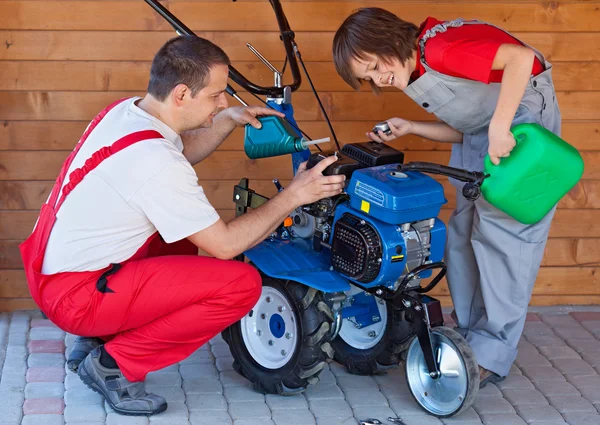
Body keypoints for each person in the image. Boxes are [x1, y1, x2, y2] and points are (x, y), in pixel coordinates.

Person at [20, 35, 345, 416]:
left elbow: (176, 151)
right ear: (180, 94)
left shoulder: (128, 112)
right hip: (77, 295)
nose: (224, 102)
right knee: (240, 285)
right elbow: (224, 245)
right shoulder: (155, 162)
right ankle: (112, 362)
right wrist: (294, 195)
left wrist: (224, 121)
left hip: (52, 273)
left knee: (178, 239)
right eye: (216, 96)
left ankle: (99, 333)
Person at [332, 8, 560, 387]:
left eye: (374, 65)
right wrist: (411, 127)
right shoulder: (416, 71)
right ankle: (471, 336)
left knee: (504, 240)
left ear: (386, 39)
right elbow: (467, 129)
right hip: (486, 133)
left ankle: (492, 353)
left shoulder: (440, 49)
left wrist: (502, 128)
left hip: (522, 125)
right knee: (462, 234)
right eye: (368, 77)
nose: (379, 79)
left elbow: (522, 59)